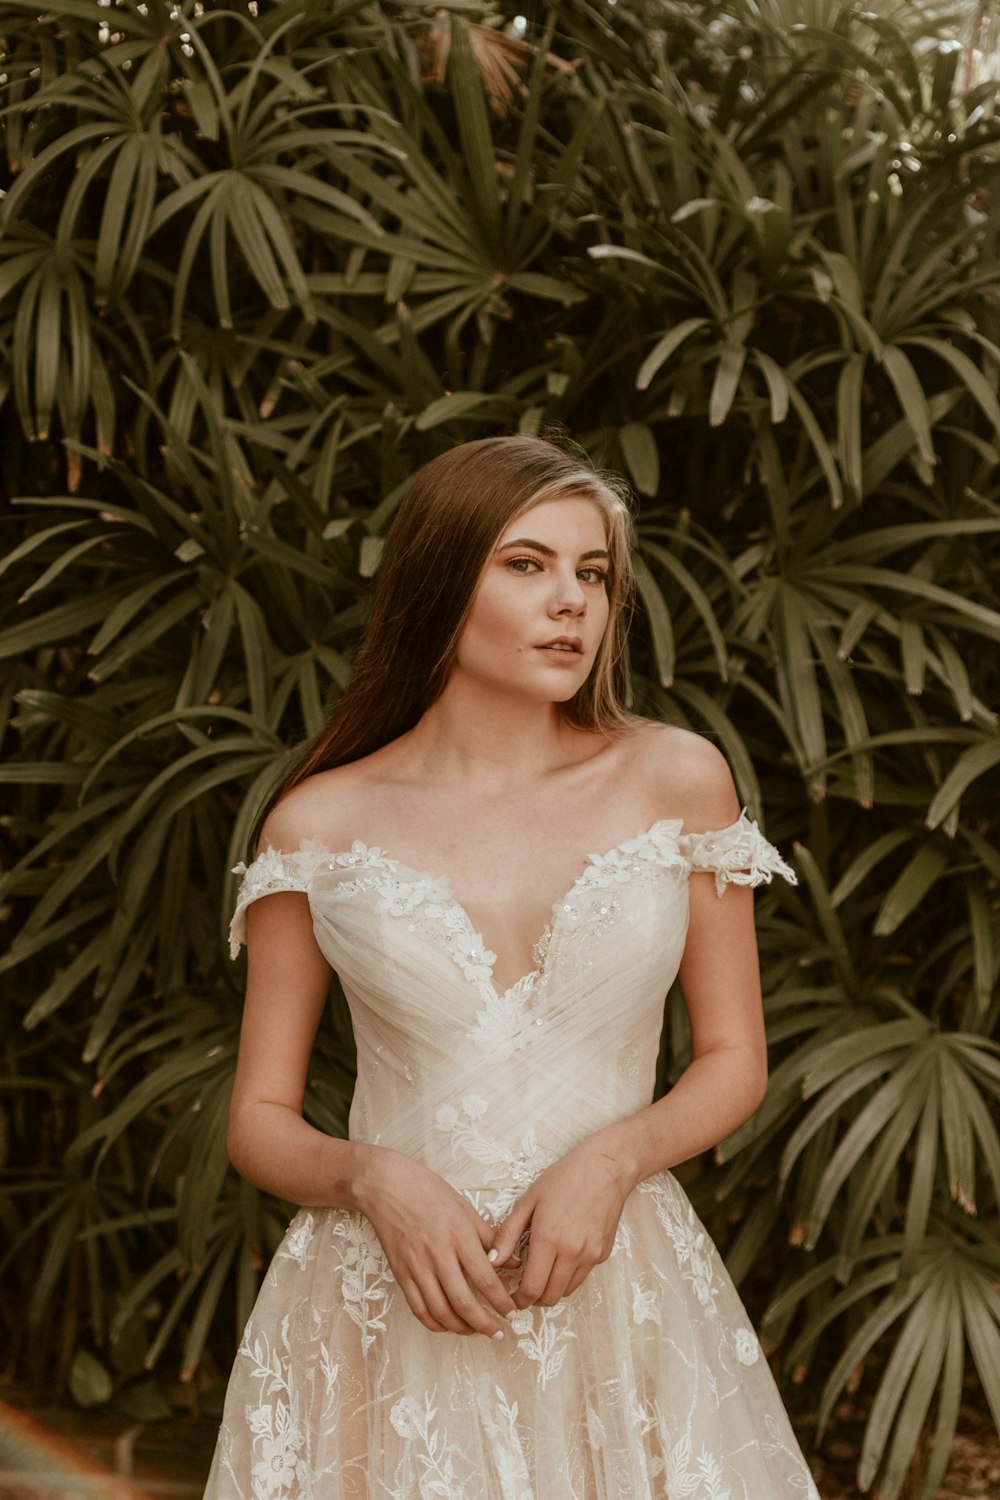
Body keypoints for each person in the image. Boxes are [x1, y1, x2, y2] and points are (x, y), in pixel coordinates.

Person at [203, 435, 819, 1499]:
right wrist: (373, 1179)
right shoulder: (318, 822)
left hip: (617, 1284)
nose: (571, 602)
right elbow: (259, 1114)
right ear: (442, 579)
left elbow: (731, 1058)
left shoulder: (675, 777)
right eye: (526, 565)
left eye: (593, 574)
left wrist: (613, 1162)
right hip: (380, 1302)